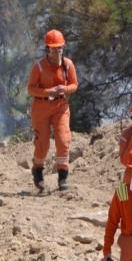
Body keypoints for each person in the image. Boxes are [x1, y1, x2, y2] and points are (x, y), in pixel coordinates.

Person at [26, 29, 78, 191]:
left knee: (63, 139)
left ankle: (63, 177)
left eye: (60, 47)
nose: (58, 50)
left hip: (61, 106)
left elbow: (74, 85)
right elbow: (31, 89)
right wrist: (49, 92)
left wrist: (65, 89)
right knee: (42, 143)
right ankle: (38, 171)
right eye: (54, 47)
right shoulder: (39, 67)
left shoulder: (68, 64)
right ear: (48, 48)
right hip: (41, 106)